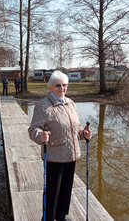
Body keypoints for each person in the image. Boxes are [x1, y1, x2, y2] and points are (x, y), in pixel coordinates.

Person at [28, 70, 92, 221]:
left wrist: (84, 134)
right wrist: (40, 136)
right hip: (54, 157)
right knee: (52, 192)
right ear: (50, 87)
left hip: (71, 155)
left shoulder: (70, 103)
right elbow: (33, 129)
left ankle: (60, 215)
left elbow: (76, 127)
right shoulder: (43, 106)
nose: (62, 88)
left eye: (64, 85)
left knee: (66, 190)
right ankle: (48, 218)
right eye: (58, 85)